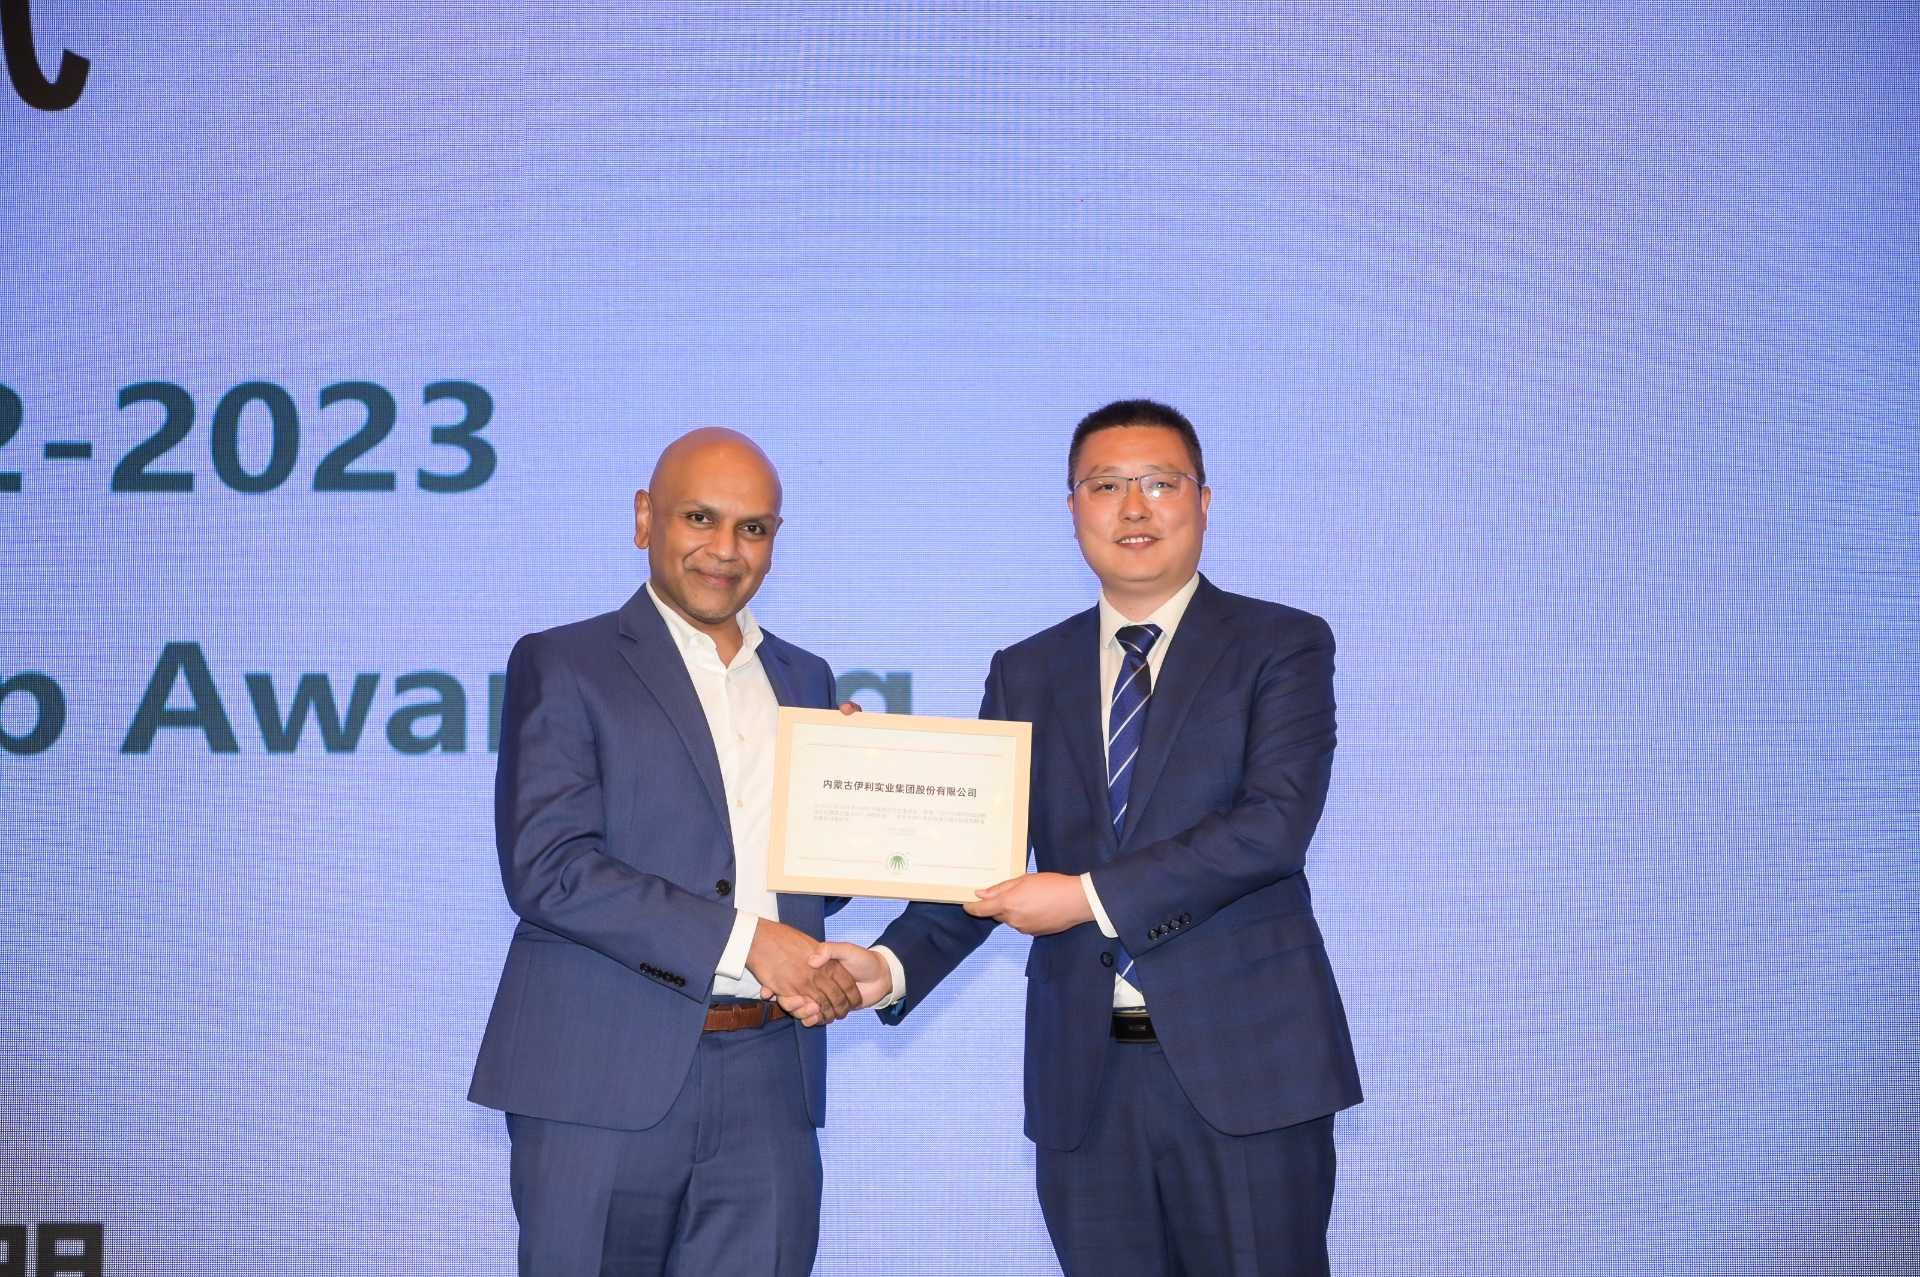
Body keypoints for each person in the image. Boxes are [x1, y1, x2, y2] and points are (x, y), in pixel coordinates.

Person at [819, 399, 1363, 1276]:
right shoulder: (1026, 669)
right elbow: (983, 858)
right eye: (1106, 486)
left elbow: (1273, 826)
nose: (1133, 507)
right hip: (1086, 1086)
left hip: (1249, 1074)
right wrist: (888, 963)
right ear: (1073, 507)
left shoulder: (1282, 644)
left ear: (1204, 500)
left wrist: (1084, 897)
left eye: (1160, 483)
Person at [469, 427, 864, 1276]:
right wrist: (748, 940)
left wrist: (853, 808)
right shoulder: (564, 661)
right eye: (700, 517)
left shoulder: (806, 678)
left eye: (752, 528)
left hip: (769, 1077)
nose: (726, 549)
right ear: (645, 517)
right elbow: (549, 868)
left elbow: (803, 886)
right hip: (598, 1074)